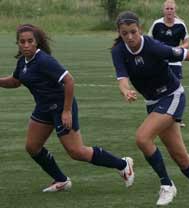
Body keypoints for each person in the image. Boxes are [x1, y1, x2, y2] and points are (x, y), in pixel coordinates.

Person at [111, 11, 189, 208]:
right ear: (119, 33)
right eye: (125, 33)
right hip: (153, 103)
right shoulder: (118, 51)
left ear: (139, 29)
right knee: (180, 156)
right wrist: (126, 91)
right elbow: (122, 79)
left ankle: (166, 184)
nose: (129, 37)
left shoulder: (154, 46)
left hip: (172, 96)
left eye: (133, 32)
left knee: (142, 138)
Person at [0, 24, 134, 192]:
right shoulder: (23, 62)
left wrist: (67, 110)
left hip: (60, 106)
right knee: (32, 147)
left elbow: (69, 80)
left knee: (76, 151)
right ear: (18, 43)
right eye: (22, 42)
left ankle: (123, 164)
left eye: (30, 41)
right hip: (43, 108)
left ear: (37, 42)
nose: (26, 45)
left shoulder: (43, 60)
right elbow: (15, 81)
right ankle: (61, 180)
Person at [148, 0, 189, 127]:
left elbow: (187, 42)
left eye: (171, 9)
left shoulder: (181, 25)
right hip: (159, 63)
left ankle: (177, 119)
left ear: (175, 10)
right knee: (158, 87)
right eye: (167, 9)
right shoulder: (157, 24)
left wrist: (178, 50)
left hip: (175, 63)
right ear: (163, 10)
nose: (169, 11)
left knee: (176, 89)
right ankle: (157, 115)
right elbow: (149, 40)